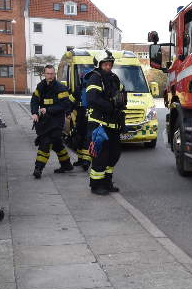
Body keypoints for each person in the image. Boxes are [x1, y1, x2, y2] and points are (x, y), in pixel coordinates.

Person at [85, 50, 126, 195]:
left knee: (114, 154)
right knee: (100, 155)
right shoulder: (94, 78)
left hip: (113, 123)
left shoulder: (114, 78)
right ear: (99, 64)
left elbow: (122, 94)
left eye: (110, 64)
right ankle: (96, 185)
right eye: (106, 64)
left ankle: (107, 182)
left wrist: (120, 105)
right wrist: (111, 106)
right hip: (98, 124)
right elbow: (92, 99)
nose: (108, 67)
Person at [30, 65, 75, 179]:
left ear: (54, 74)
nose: (50, 76)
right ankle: (67, 164)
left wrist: (48, 109)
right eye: (48, 74)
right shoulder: (40, 86)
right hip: (44, 121)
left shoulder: (60, 87)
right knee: (57, 143)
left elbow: (64, 104)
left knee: (45, 142)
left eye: (52, 74)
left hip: (56, 121)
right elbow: (34, 100)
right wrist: (34, 112)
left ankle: (38, 168)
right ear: (44, 74)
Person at [72, 68, 92, 170]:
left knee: (81, 138)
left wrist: (67, 111)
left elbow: (70, 100)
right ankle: (84, 161)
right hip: (88, 117)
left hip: (81, 117)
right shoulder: (94, 89)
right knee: (85, 138)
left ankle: (84, 161)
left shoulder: (79, 88)